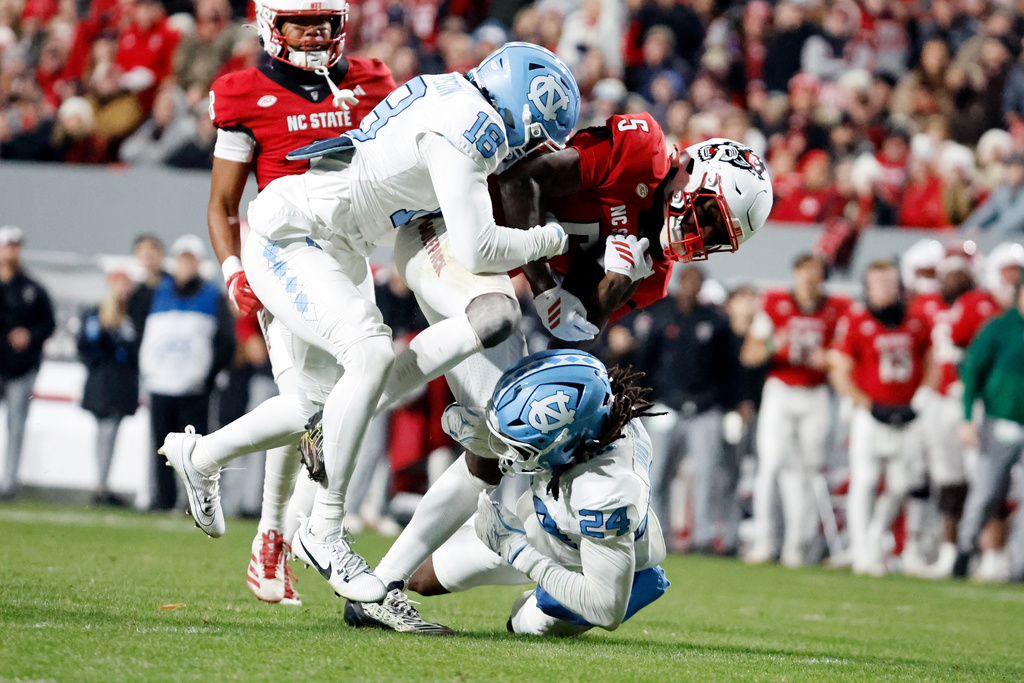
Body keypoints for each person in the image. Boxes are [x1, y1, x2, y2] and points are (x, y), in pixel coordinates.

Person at [160, 41, 577, 605]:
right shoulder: (470, 126)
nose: (526, 146)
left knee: (322, 407)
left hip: (336, 243)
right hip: (293, 235)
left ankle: (201, 455)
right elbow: (480, 249)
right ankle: (323, 530)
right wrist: (550, 239)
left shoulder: (452, 90)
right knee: (371, 355)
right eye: (533, 130)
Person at [342, 133, 770, 632]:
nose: (705, 235)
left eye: (720, 235)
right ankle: (342, 413)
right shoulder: (641, 152)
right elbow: (526, 177)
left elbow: (572, 331)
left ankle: (380, 586)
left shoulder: (655, 273)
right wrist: (544, 281)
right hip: (454, 230)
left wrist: (614, 282)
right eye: (711, 215)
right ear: (690, 173)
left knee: (491, 447)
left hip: (486, 273)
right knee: (507, 407)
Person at [190, 0, 397, 606]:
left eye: (323, 22)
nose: (313, 33)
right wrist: (232, 271)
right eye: (298, 22)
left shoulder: (370, 80)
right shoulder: (242, 92)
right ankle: (278, 527)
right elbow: (223, 202)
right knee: (314, 405)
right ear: (269, 25)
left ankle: (262, 522)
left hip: (349, 257)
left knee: (331, 402)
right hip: (286, 253)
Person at [348, 350, 670, 637]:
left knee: (522, 621)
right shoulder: (597, 408)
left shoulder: (606, 493)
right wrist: (489, 434)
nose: (510, 454)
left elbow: (605, 608)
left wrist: (517, 550)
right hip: (550, 526)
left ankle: (566, 596)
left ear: (566, 445)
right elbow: (549, 437)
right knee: (423, 578)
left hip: (591, 565)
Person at [741, 253, 850, 567]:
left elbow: (845, 353)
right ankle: (764, 541)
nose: (809, 281)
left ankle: (796, 546)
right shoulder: (776, 304)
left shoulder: (835, 309)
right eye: (805, 273)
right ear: (795, 274)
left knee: (806, 472)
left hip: (815, 393)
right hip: (781, 389)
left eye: (815, 274)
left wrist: (828, 358)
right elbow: (750, 354)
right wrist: (776, 344)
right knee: (770, 466)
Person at [829, 259, 935, 576]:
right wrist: (864, 402)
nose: (887, 289)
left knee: (902, 484)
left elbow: (932, 361)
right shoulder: (856, 320)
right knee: (866, 481)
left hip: (907, 413)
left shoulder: (915, 318)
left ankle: (874, 539)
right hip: (871, 413)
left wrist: (922, 397)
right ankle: (863, 551)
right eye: (880, 283)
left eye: (891, 282)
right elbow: (840, 369)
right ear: (868, 286)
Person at [633, 265, 743, 554]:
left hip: (706, 408)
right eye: (688, 280)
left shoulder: (716, 321)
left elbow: (728, 369)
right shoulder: (661, 316)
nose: (692, 287)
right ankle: (658, 533)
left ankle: (703, 536)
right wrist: (642, 399)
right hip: (666, 406)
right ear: (680, 283)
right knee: (657, 476)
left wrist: (729, 403)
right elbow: (646, 361)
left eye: (697, 282)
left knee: (707, 474)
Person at [143, 235, 235, 511]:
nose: (185, 265)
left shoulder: (212, 296)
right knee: (161, 447)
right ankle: (163, 500)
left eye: (190, 259)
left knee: (195, 452)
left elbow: (225, 341)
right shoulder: (158, 292)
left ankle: (196, 501)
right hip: (160, 385)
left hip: (195, 389)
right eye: (181, 259)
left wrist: (207, 377)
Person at [953, 280, 1024, 580]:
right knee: (985, 492)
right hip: (1000, 421)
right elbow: (972, 370)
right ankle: (964, 551)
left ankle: (1019, 566)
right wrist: (968, 417)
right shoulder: (999, 327)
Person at [0, 226, 56, 500]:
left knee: (16, 425)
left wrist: (29, 335)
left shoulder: (32, 288)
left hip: (21, 367)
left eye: (14, 246)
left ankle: (7, 483)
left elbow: (48, 323)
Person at [77, 268, 140, 506]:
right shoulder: (96, 314)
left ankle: (102, 483)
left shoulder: (133, 315)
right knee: (105, 432)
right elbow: (86, 347)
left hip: (122, 383)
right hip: (103, 383)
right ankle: (101, 484)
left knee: (109, 433)